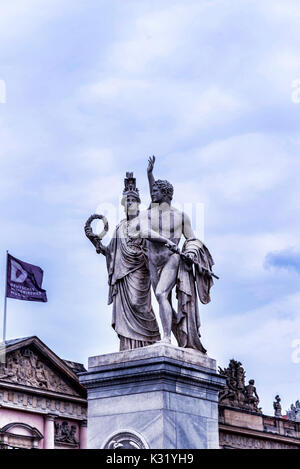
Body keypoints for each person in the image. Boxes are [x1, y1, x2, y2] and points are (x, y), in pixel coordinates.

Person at [128, 157, 215, 351]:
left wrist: (191, 252)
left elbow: (192, 239)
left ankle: (166, 338)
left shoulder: (181, 216)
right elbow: (143, 231)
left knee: (160, 294)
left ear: (165, 194)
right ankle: (179, 336)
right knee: (163, 300)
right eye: (152, 191)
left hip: (171, 259)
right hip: (153, 260)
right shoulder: (149, 213)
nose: (152, 194)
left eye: (156, 191)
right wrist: (149, 174)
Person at [85, 173, 160, 350]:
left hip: (139, 268)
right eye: (126, 202)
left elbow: (156, 203)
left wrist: (150, 175)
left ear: (138, 203)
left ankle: (152, 340)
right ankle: (128, 346)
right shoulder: (120, 227)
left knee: (139, 304)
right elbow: (111, 253)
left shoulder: (144, 219)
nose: (128, 205)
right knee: (124, 309)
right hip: (122, 275)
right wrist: (97, 244)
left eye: (132, 201)